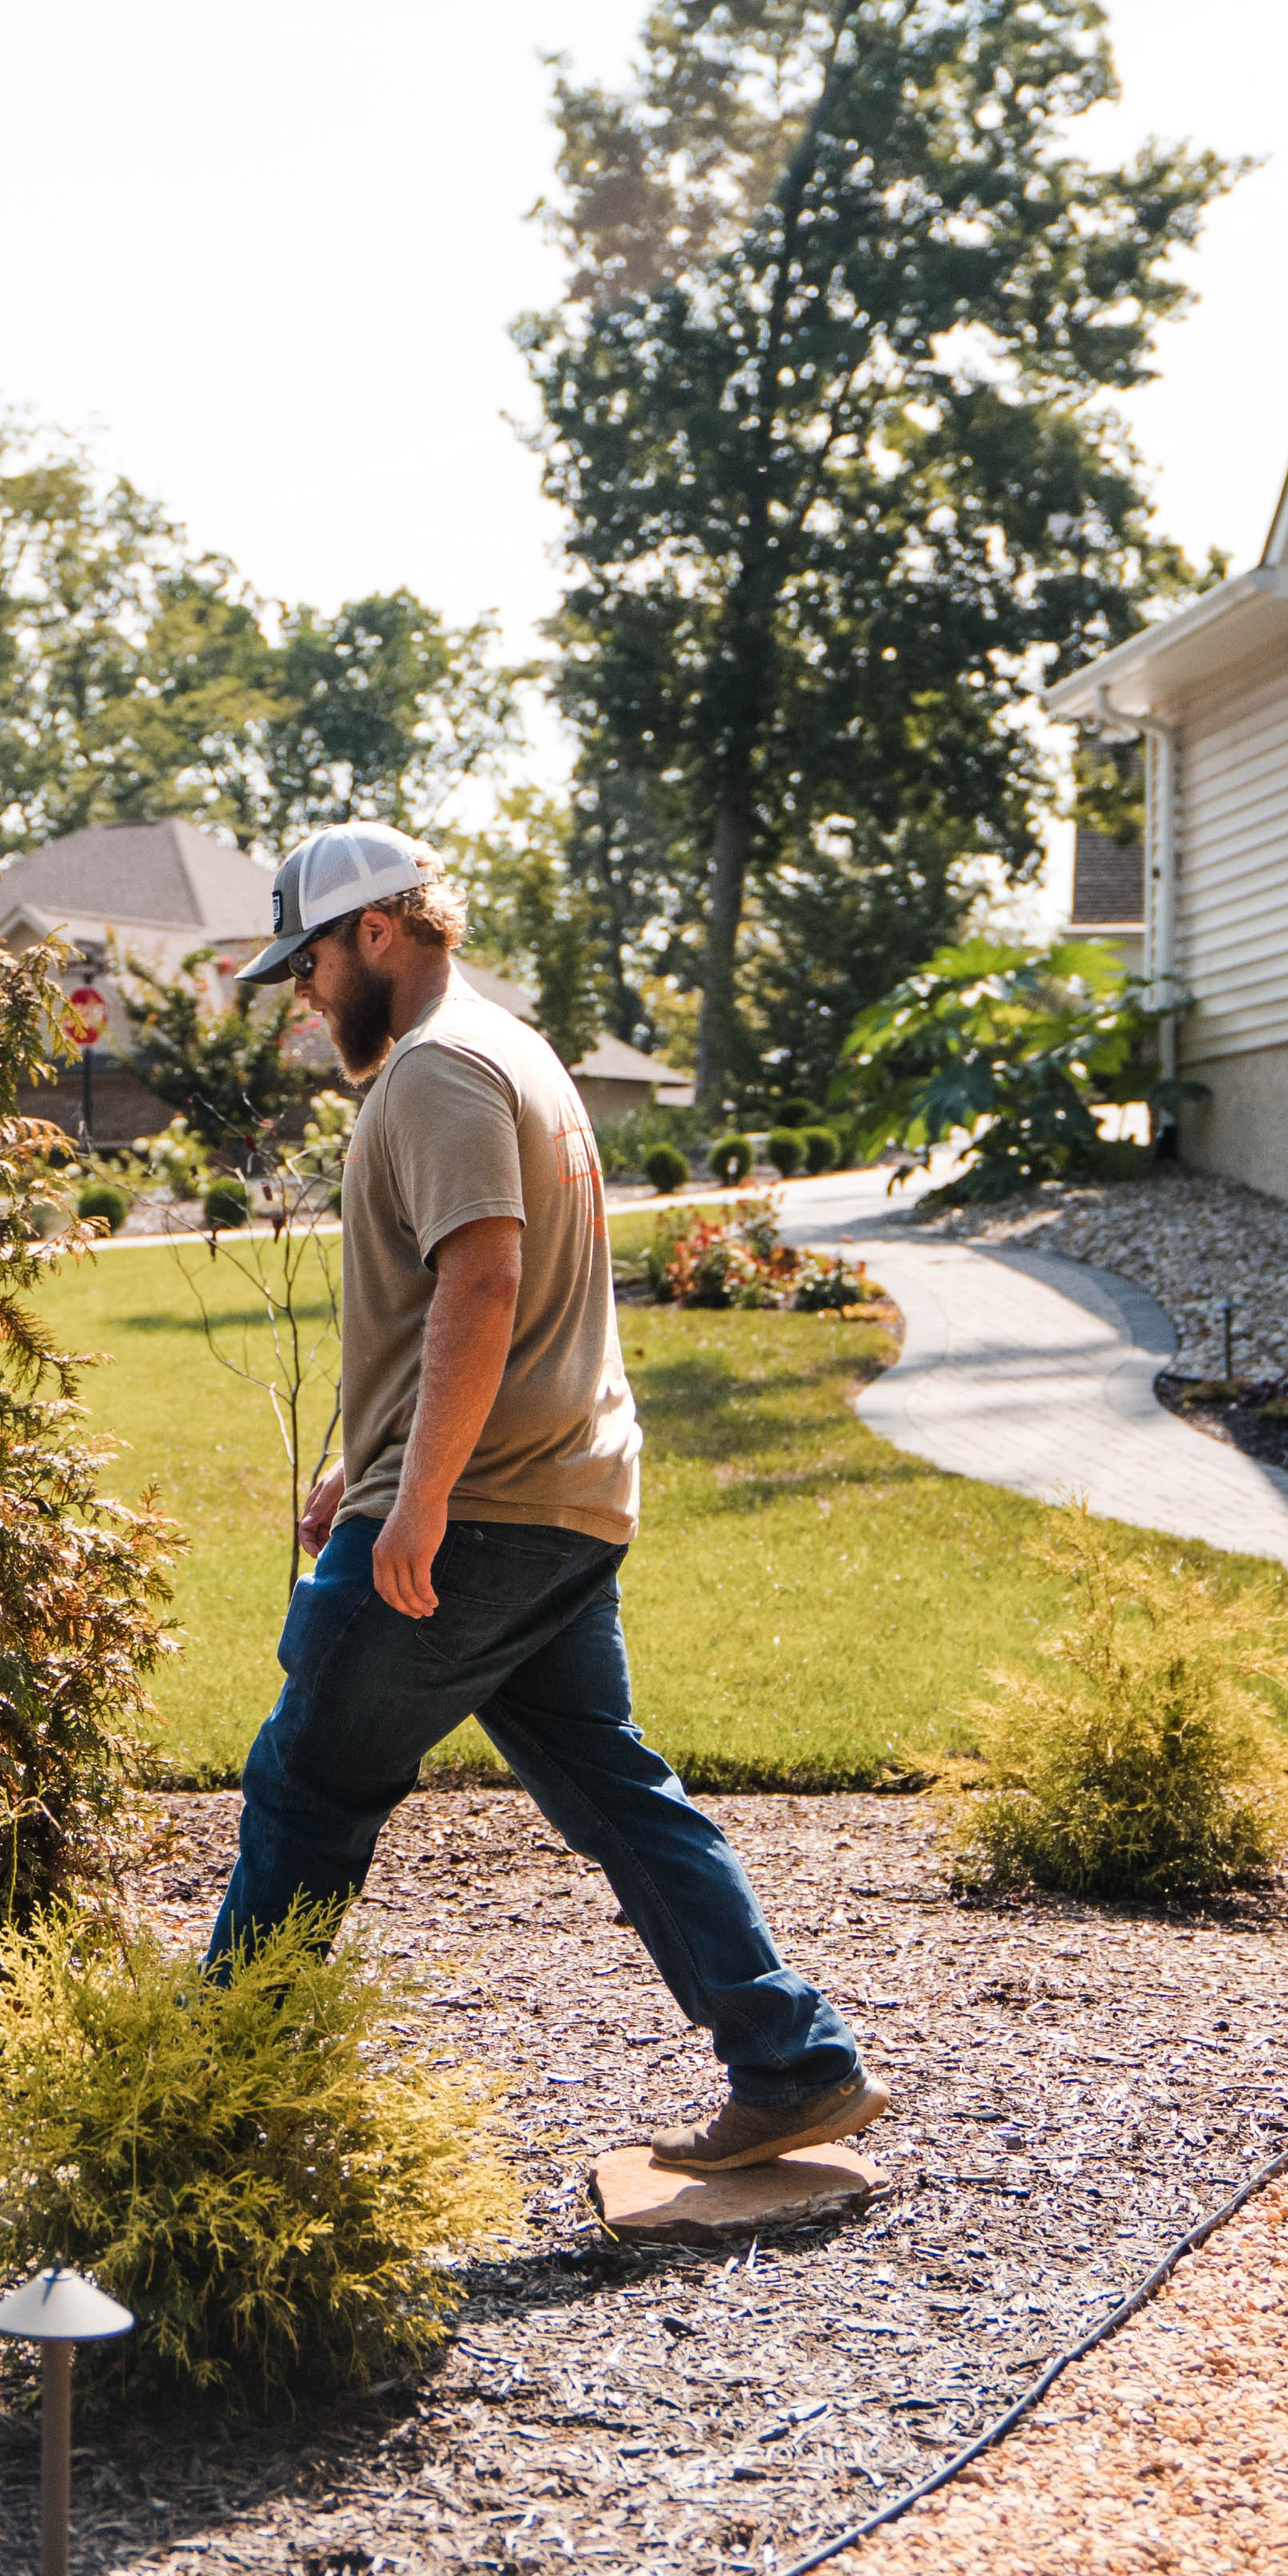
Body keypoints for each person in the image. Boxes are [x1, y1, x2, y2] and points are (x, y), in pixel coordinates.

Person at [203, 822, 881, 2171]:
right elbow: (492, 1308)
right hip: (564, 1500)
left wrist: (414, 1501)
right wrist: (370, 1458)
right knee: (611, 1791)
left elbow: (487, 1282)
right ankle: (789, 2060)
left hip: (473, 1520)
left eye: (312, 963)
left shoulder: (437, 1074)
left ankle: (206, 2112)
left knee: (302, 1786)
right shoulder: (517, 1054)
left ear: (374, 934)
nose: (305, 993)